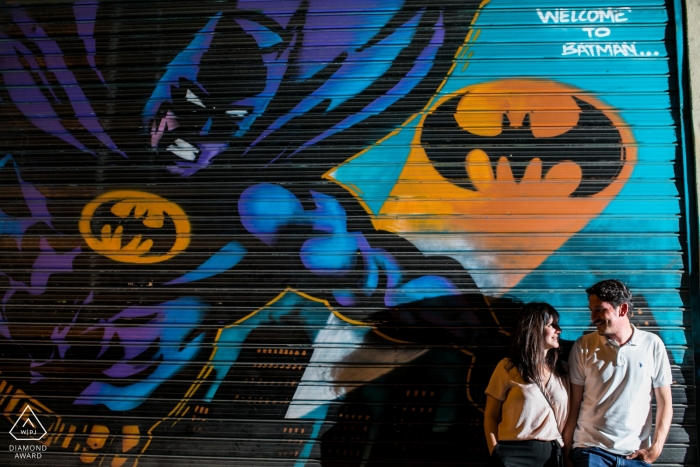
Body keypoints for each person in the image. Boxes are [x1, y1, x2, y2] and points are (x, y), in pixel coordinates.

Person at [563, 279, 673, 466]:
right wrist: (566, 452)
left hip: (636, 455)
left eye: (600, 310)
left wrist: (656, 449)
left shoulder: (652, 344)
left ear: (622, 310)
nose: (593, 317)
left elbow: (665, 402)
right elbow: (573, 405)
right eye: (591, 310)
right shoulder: (584, 346)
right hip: (591, 452)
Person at [484, 302, 569, 467]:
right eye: (552, 325)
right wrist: (496, 452)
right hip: (512, 454)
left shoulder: (564, 371)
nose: (559, 330)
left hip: (551, 454)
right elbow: (490, 416)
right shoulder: (508, 367)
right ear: (535, 328)